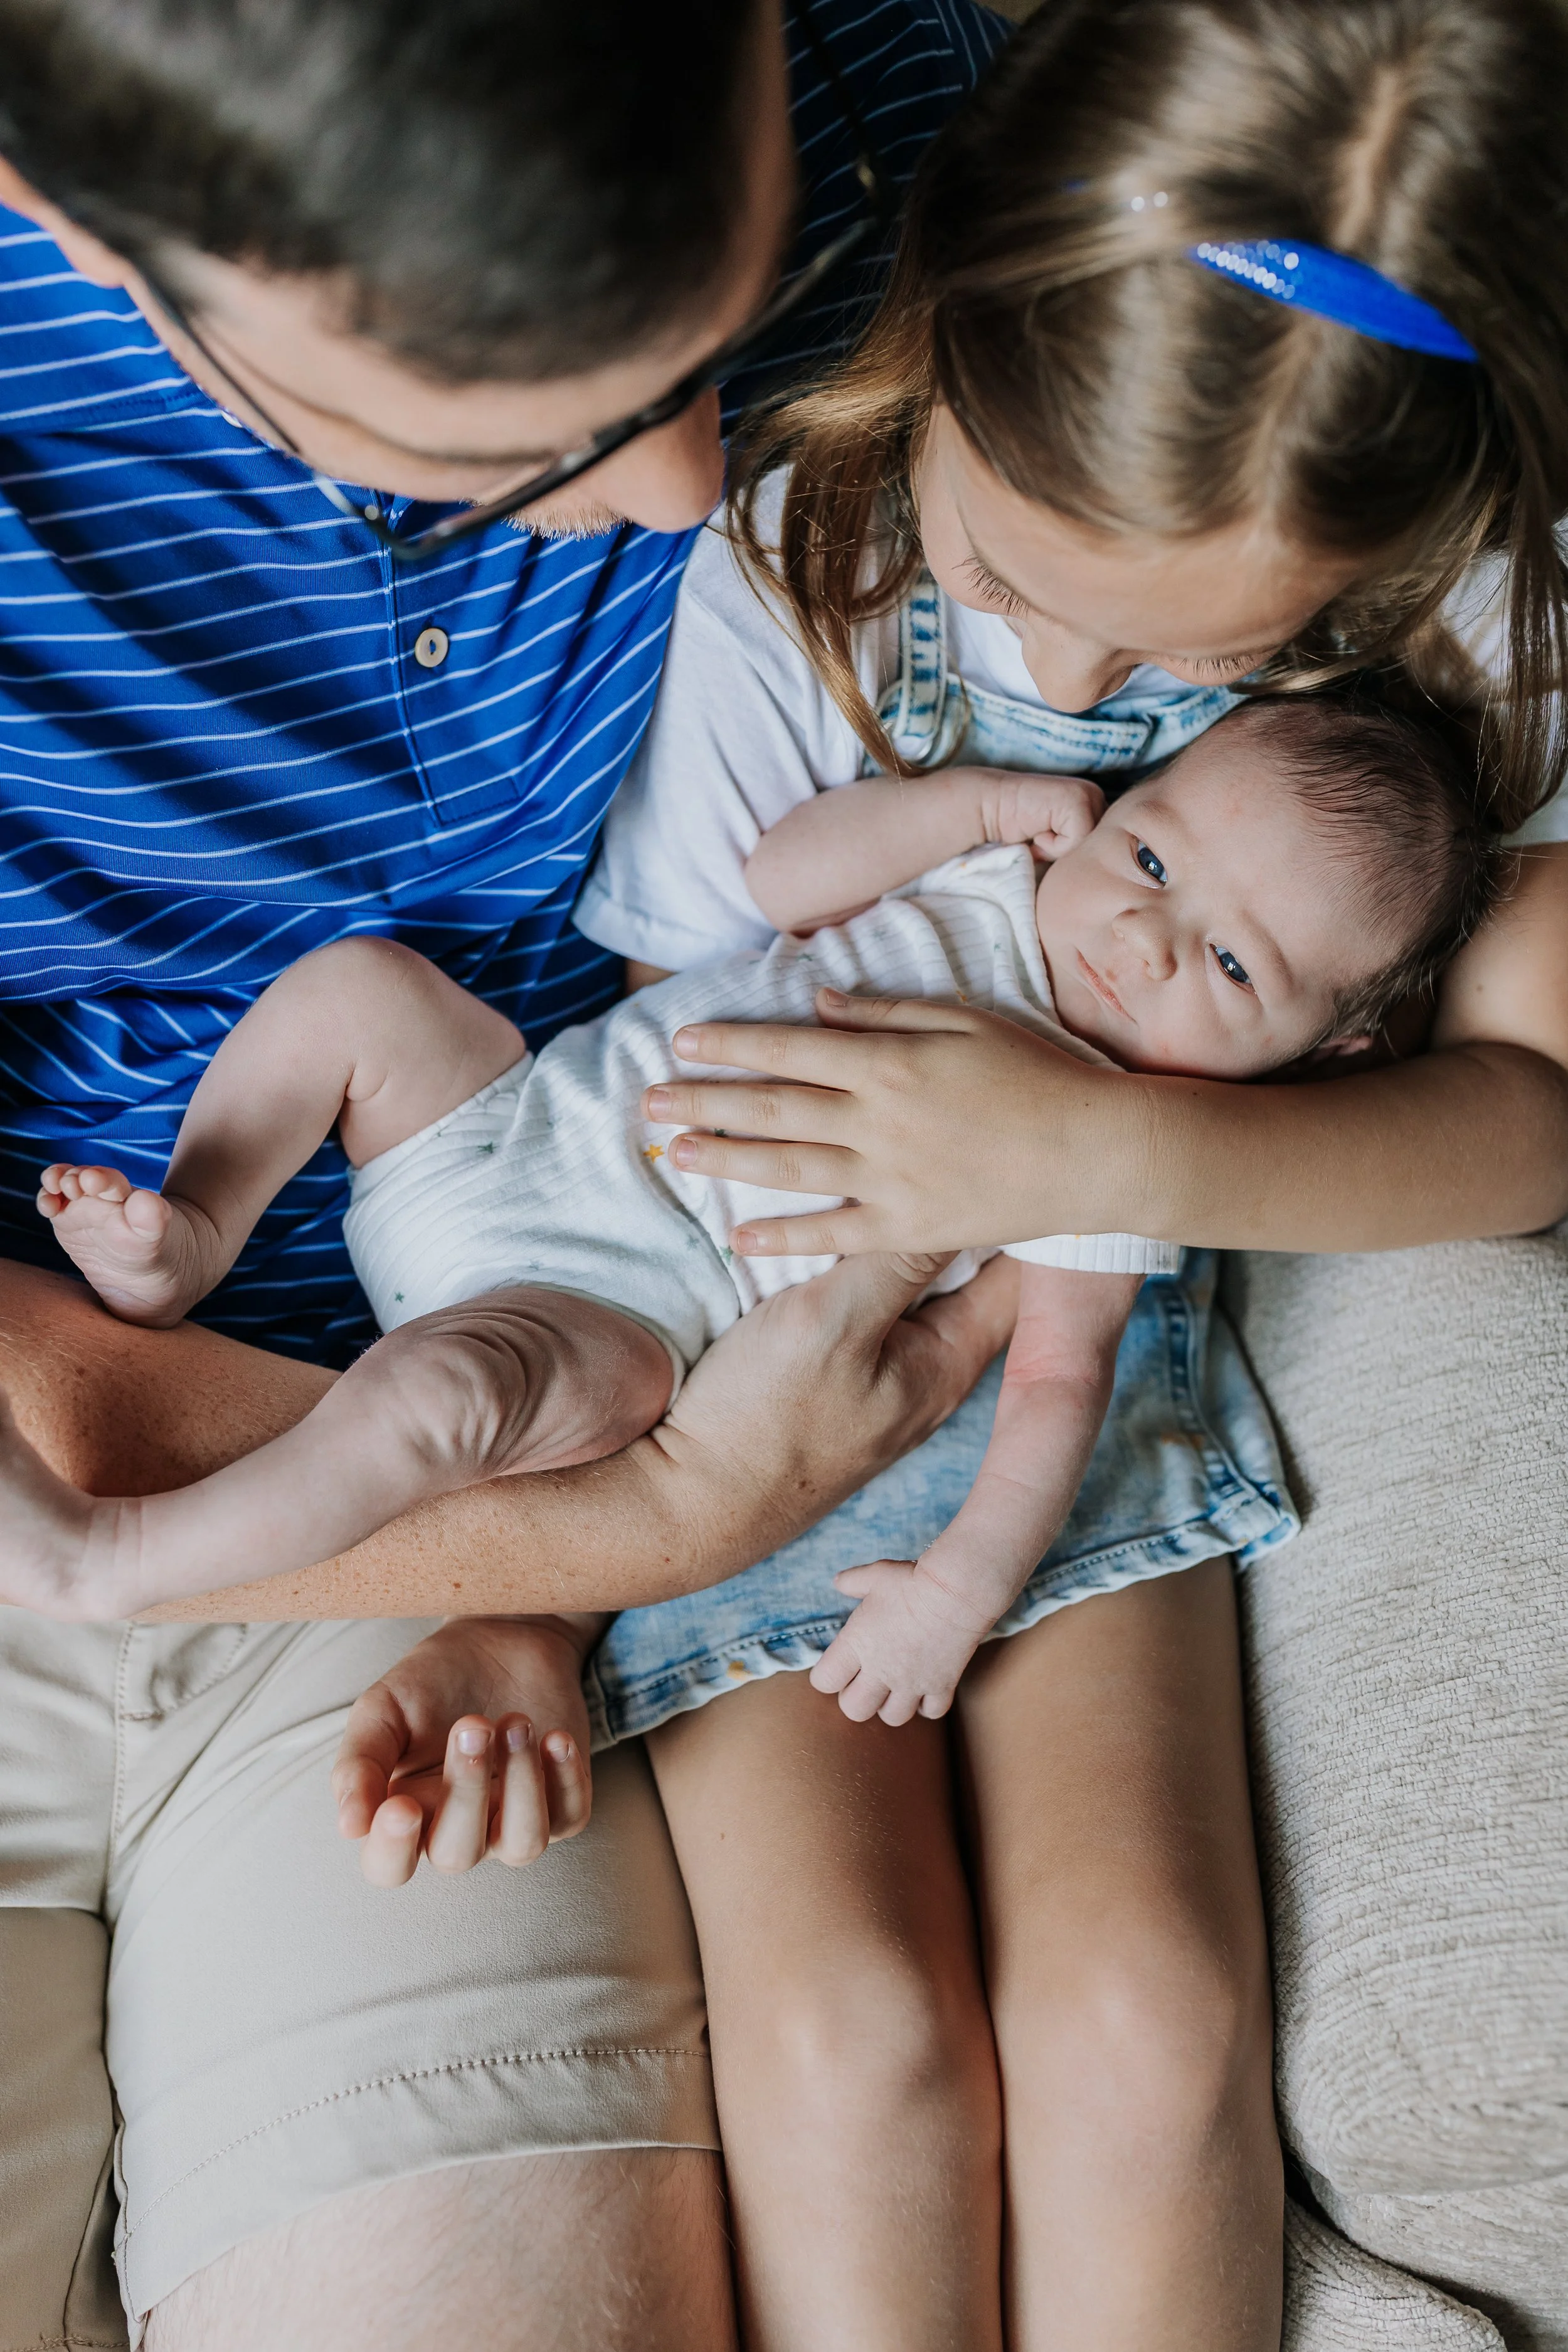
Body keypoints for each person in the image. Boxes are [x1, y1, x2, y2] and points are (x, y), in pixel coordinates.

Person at [317, 3, 1568, 2346]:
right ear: (941, 330)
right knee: (856, 2036)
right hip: (749, 1370)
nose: (1075, 684)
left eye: (1214, 660)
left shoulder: (1472, 598)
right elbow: (671, 1042)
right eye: (1018, 566)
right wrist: (548, 1564)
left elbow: (1519, 1138)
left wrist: (1088, 1135)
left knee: (1146, 2020)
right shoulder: (802, 549)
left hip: (1068, 1376)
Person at [0, 3, 1014, 2346]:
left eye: (719, 340)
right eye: (504, 444)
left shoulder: (875, 81)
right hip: (285, 1460)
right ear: (85, 226)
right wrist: (649, 1528)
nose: (681, 491)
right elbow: (57, 1430)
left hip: (424, 1539)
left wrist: (536, 1591)